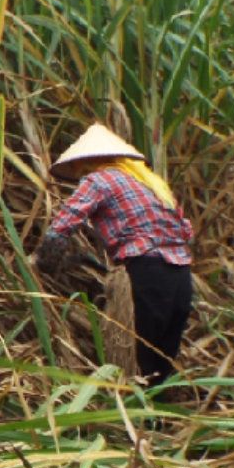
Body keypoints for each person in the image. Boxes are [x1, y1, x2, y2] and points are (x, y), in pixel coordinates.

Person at [33, 124, 194, 385]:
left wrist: (43, 262)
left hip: (146, 269)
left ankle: (135, 412)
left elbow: (65, 222)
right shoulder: (153, 184)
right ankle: (158, 413)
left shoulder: (98, 179)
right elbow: (186, 230)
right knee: (164, 350)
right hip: (180, 273)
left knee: (139, 347)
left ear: (87, 161)